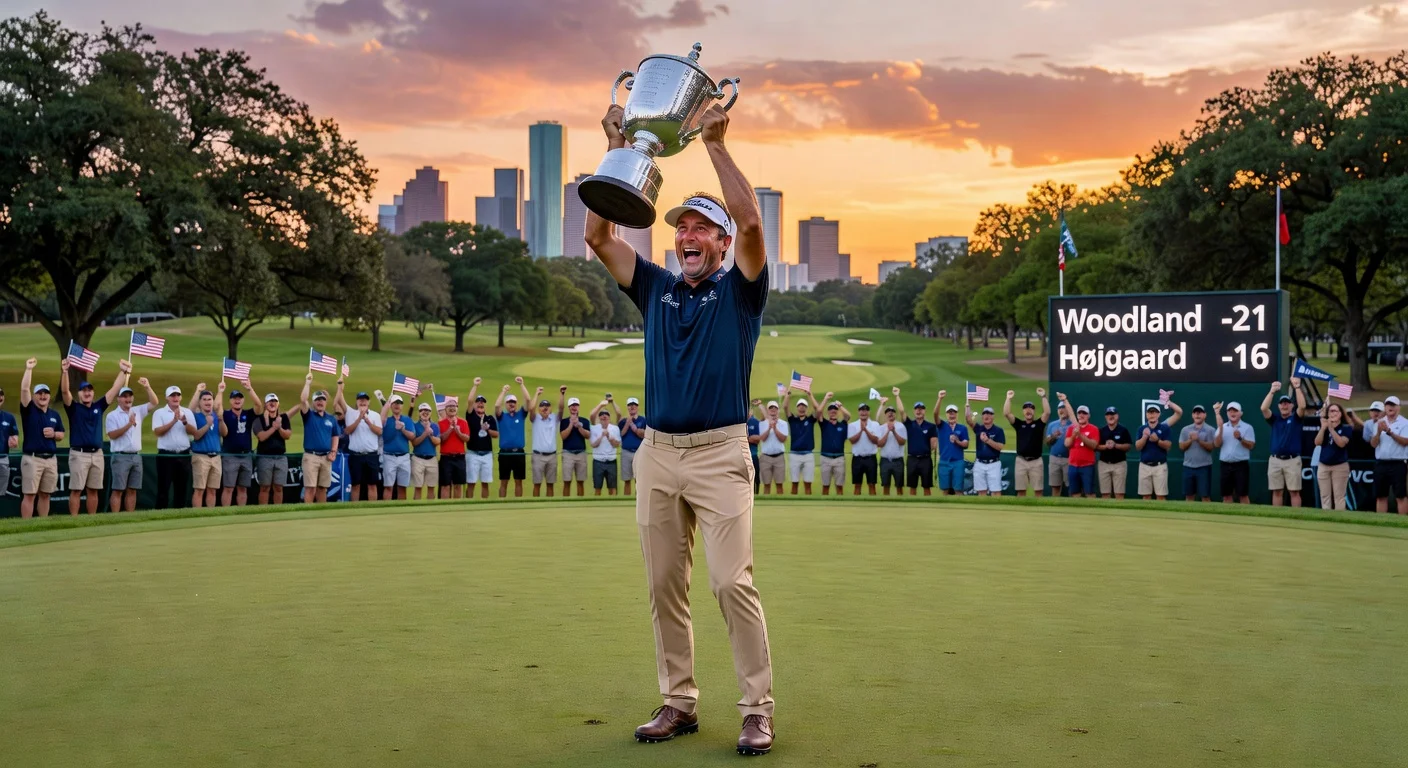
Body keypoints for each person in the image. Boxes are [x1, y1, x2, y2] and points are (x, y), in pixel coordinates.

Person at [587, 100, 775, 754]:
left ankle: (757, 708)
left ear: (721, 245)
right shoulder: (656, 287)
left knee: (730, 581)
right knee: (664, 585)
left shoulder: (741, 291)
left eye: (702, 229)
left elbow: (750, 220)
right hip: (658, 454)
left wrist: (717, 144)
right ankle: (679, 703)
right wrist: (618, 151)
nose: (688, 236)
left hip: (722, 453)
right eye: (682, 228)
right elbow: (599, 238)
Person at [60, 358, 128, 515]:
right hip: (79, 454)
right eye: (84, 390)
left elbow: (115, 388)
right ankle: (75, 521)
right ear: (79, 394)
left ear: (93, 393)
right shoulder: (73, 408)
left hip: (97, 454)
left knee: (93, 490)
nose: (87, 393)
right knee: (76, 490)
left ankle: (91, 521)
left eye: (89, 390)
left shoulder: (98, 406)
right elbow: (64, 391)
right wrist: (65, 371)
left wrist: (123, 371)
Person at [18, 358, 65, 518]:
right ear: (34, 396)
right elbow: (24, 389)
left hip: (50, 459)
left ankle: (42, 524)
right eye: (39, 393)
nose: (43, 396)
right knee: (30, 495)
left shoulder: (54, 415)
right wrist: (29, 369)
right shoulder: (29, 409)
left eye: (45, 393)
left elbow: (61, 434)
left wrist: (54, 434)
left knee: (45, 494)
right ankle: (27, 526)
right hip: (32, 459)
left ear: (49, 396)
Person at [105, 375, 158, 512]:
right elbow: (112, 435)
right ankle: (116, 518)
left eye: (130, 396)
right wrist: (129, 424)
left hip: (136, 456)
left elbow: (154, 402)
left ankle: (129, 517)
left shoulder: (137, 410)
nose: (128, 399)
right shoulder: (112, 415)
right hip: (120, 456)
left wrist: (147, 387)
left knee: (132, 490)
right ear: (118, 399)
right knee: (118, 490)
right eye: (124, 396)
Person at [1260, 378, 1307, 507]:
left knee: (1294, 492)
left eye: (1287, 403)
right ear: (1279, 406)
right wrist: (1272, 391)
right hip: (1275, 460)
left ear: (1292, 405)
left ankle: (1296, 519)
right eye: (1282, 403)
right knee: (1277, 491)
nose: (1284, 405)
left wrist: (1297, 387)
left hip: (1292, 460)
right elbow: (1264, 408)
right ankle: (1277, 519)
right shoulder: (1275, 419)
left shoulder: (1296, 419)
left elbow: (1302, 406)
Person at [151, 384, 196, 510]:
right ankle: (160, 514)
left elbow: (194, 432)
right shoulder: (159, 413)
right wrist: (173, 421)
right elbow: (157, 432)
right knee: (163, 488)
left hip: (184, 454)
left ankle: (179, 515)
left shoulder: (187, 412)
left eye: (177, 395)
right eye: (172, 395)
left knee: (181, 488)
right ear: (167, 398)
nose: (175, 398)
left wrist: (185, 422)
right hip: (166, 455)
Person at [297, 374, 340, 504]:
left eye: (322, 400)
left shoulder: (331, 418)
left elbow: (335, 435)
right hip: (311, 456)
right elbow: (303, 399)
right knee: (310, 488)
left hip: (326, 457)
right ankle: (308, 513)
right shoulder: (309, 415)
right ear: (314, 402)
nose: (320, 402)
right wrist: (307, 383)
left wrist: (333, 451)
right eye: (317, 400)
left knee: (323, 488)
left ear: (326, 402)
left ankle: (321, 514)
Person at [219, 380, 261, 508]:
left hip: (246, 455)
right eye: (234, 398)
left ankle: (240, 512)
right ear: (230, 401)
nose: (237, 401)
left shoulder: (247, 414)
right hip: (230, 455)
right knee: (228, 487)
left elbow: (258, 405)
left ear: (243, 400)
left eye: (239, 398)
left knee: (243, 488)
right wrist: (220, 391)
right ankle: (225, 513)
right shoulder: (225, 414)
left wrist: (249, 389)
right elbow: (217, 409)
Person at [340, 385, 384, 503]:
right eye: (360, 400)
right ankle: (355, 510)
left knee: (372, 485)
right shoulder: (350, 413)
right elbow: (348, 431)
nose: (362, 401)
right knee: (356, 485)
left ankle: (373, 510)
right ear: (357, 401)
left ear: (368, 402)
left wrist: (368, 422)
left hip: (371, 455)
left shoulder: (375, 415)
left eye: (365, 400)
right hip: (356, 455)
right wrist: (359, 418)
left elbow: (379, 431)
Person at [1003, 389, 1050, 498]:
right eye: (1026, 409)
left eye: (1031, 409)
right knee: (1020, 491)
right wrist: (1008, 398)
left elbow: (1047, 412)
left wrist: (1043, 396)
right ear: (1023, 412)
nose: (1028, 411)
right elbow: (1006, 413)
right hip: (1021, 461)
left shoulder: (1039, 424)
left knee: (1038, 491)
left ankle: (1039, 513)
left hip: (1036, 461)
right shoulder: (1019, 424)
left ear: (1034, 411)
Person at [1134, 399, 1184, 501]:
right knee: (1146, 496)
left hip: (1160, 466)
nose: (1152, 415)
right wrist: (1144, 437)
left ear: (1158, 414)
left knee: (1161, 496)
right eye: (1149, 412)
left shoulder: (1165, 427)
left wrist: (1157, 441)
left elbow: (1168, 446)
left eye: (1154, 412)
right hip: (1144, 465)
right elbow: (1137, 447)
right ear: (1146, 414)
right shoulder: (1141, 428)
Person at [1369, 395, 1408, 514]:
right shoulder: (1379, 423)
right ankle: (1381, 523)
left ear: (1398, 408)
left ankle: (1402, 522)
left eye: (1393, 405)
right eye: (1387, 405)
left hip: (1398, 463)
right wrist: (1379, 432)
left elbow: (1405, 441)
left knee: (1400, 495)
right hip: (1381, 463)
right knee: (1381, 496)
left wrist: (1390, 433)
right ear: (1385, 407)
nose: (1390, 407)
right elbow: (1373, 444)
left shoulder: (1405, 423)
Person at [895, 389, 938, 496]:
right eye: (917, 409)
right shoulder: (909, 424)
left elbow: (933, 444)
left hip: (925, 459)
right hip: (912, 459)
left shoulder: (931, 426)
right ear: (914, 411)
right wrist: (897, 395)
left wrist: (933, 445)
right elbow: (901, 411)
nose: (919, 411)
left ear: (924, 411)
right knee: (912, 486)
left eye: (921, 409)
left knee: (927, 486)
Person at [189, 384, 225, 508]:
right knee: (199, 489)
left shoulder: (217, 416)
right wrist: (198, 390)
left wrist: (220, 391)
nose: (207, 402)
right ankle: (197, 516)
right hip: (201, 456)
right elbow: (196, 436)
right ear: (200, 403)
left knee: (212, 490)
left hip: (216, 457)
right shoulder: (196, 416)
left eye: (209, 399)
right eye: (204, 400)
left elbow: (224, 433)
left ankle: (210, 515)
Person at [495, 378, 532, 498]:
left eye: (514, 402)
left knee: (518, 481)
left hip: (519, 453)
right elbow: (496, 405)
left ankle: (518, 503)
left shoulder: (521, 414)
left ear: (516, 404)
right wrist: (503, 391)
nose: (512, 404)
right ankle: (501, 505)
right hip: (505, 454)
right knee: (504, 481)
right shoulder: (502, 416)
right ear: (506, 404)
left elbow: (528, 400)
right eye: (509, 402)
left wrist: (522, 385)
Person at [1213, 401, 1255, 504]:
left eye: (1235, 411)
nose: (1232, 413)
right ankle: (1226, 519)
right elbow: (1217, 444)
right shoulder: (1221, 427)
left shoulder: (1247, 427)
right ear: (1227, 413)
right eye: (1230, 411)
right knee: (1226, 496)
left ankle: (1246, 519)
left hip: (1241, 465)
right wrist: (1221, 429)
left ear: (1240, 413)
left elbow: (1251, 446)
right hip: (1225, 465)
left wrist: (1240, 438)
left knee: (1243, 495)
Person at [1314, 401, 1354, 511]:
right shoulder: (1324, 428)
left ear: (1341, 413)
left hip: (1340, 465)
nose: (1333, 413)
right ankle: (1326, 520)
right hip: (1323, 465)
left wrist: (1331, 429)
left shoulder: (1346, 428)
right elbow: (1317, 442)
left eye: (1335, 411)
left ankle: (1339, 520)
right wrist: (1323, 428)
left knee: (1339, 496)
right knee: (1325, 496)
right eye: (1331, 411)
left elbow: (1341, 443)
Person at [254, 393, 293, 505]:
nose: (272, 403)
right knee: (264, 487)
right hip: (264, 457)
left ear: (278, 404)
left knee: (279, 487)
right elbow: (261, 437)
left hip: (280, 457)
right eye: (270, 402)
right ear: (265, 404)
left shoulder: (283, 418)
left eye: (275, 401)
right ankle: (263, 511)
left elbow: (287, 435)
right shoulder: (259, 419)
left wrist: (279, 427)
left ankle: (278, 511)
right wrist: (273, 427)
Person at [1058, 395, 1099, 499]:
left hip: (1087, 465)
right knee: (1075, 493)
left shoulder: (1093, 429)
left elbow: (1093, 445)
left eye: (1084, 413)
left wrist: (1080, 435)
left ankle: (1092, 513)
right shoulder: (1072, 428)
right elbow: (1067, 444)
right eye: (1079, 413)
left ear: (1088, 415)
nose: (1081, 415)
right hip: (1073, 465)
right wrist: (1074, 435)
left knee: (1089, 493)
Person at [782, 388, 821, 495]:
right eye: (800, 406)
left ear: (806, 408)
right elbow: (785, 407)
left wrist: (810, 395)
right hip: (794, 454)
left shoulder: (810, 420)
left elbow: (818, 409)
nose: (802, 408)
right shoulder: (792, 419)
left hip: (808, 454)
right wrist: (788, 395)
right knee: (794, 483)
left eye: (804, 406)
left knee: (808, 483)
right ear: (797, 407)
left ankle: (809, 506)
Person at [1177, 405, 1217, 502]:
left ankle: (1207, 517)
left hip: (1204, 467)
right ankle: (1189, 517)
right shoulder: (1185, 430)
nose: (1197, 415)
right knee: (1189, 496)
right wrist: (1190, 439)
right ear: (1192, 415)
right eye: (1195, 413)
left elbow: (1212, 447)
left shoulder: (1211, 430)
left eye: (1200, 412)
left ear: (1205, 415)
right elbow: (1181, 447)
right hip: (1188, 466)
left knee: (1205, 496)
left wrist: (1199, 440)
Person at [380, 394, 415, 500]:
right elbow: (381, 418)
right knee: (388, 487)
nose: (397, 405)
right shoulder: (386, 420)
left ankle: (402, 511)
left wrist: (403, 429)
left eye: (399, 403)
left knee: (402, 487)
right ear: (391, 405)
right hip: (389, 457)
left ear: (402, 406)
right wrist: (387, 402)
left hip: (404, 457)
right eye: (395, 403)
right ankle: (386, 512)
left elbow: (412, 436)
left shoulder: (407, 420)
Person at [934, 394, 969, 495]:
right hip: (944, 461)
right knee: (945, 489)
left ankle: (960, 510)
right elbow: (935, 414)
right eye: (949, 413)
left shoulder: (962, 428)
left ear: (957, 414)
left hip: (958, 461)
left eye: (953, 412)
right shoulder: (941, 426)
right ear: (946, 414)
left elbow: (966, 444)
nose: (951, 415)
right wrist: (940, 399)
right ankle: (944, 510)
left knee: (958, 489)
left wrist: (958, 441)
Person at [1094, 407, 1133, 499]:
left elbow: (1128, 446)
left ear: (1117, 416)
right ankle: (1106, 513)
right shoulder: (1101, 431)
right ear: (1105, 417)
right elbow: (1096, 446)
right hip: (1104, 463)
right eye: (1108, 415)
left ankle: (1119, 513)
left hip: (1119, 464)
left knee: (1119, 493)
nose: (1110, 416)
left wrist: (1116, 445)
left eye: (1113, 414)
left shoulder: (1123, 430)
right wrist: (1106, 446)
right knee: (1105, 494)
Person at [967, 406, 1005, 497]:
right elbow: (968, 420)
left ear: (993, 417)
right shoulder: (979, 428)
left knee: (996, 491)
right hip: (980, 463)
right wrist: (967, 407)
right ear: (982, 416)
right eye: (984, 414)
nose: (986, 416)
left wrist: (987, 441)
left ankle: (996, 510)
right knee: (981, 491)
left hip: (994, 464)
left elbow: (1000, 447)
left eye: (989, 414)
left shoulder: (998, 430)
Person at [437, 393, 469, 499]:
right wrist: (451, 428)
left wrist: (458, 432)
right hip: (446, 458)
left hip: (459, 457)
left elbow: (467, 438)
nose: (452, 408)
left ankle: (457, 507)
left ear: (457, 408)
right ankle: (445, 507)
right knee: (445, 485)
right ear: (445, 409)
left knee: (458, 485)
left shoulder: (463, 423)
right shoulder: (441, 424)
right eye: (449, 406)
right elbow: (441, 439)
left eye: (454, 406)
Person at [529, 388, 560, 497]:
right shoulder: (535, 418)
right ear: (539, 408)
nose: (545, 408)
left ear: (550, 409)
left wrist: (562, 394)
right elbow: (531, 408)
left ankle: (550, 506)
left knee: (550, 484)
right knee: (537, 484)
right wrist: (536, 394)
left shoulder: (554, 418)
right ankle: (535, 506)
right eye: (542, 406)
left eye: (547, 406)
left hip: (552, 456)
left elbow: (561, 408)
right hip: (538, 456)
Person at [467, 392, 498, 499]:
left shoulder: (490, 418)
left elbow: (496, 435)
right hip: (473, 454)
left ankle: (484, 505)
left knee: (485, 483)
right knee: (471, 482)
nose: (480, 404)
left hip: (487, 455)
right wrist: (475, 385)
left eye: (482, 403)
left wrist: (487, 429)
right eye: (478, 402)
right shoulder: (470, 416)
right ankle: (468, 505)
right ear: (474, 405)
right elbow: (469, 400)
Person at [817, 397, 849, 496]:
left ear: (838, 412)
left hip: (839, 458)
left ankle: (840, 507)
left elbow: (847, 416)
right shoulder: (824, 424)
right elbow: (818, 412)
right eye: (831, 410)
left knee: (839, 486)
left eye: (835, 409)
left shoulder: (843, 425)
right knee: (825, 486)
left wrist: (840, 406)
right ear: (828, 412)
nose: (833, 411)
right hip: (825, 458)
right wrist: (826, 399)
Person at [848, 403, 882, 495]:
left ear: (869, 412)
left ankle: (873, 506)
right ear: (859, 412)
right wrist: (861, 430)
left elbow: (876, 441)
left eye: (866, 410)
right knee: (857, 485)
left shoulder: (875, 424)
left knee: (872, 484)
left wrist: (866, 430)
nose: (864, 412)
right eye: (862, 410)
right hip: (857, 458)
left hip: (870, 458)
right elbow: (852, 440)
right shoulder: (852, 425)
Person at [559, 395, 590, 497]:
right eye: (572, 406)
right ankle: (565, 504)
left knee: (580, 481)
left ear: (579, 407)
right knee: (567, 481)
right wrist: (571, 424)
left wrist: (579, 426)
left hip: (581, 453)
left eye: (576, 405)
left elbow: (587, 436)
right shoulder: (564, 421)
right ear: (569, 408)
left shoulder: (584, 421)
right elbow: (563, 436)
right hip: (568, 453)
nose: (574, 407)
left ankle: (580, 503)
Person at [410, 402, 442, 499]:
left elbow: (437, 441)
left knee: (431, 486)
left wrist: (430, 434)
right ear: (419, 413)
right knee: (418, 487)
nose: (425, 412)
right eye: (423, 411)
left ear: (430, 413)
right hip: (418, 458)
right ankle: (416, 509)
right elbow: (414, 443)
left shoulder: (435, 426)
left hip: (431, 458)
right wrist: (425, 433)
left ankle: (431, 509)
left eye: (427, 411)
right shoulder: (415, 425)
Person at [757, 401, 789, 494]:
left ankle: (781, 506)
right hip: (765, 457)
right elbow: (762, 438)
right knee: (766, 484)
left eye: (775, 408)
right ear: (767, 411)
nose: (773, 410)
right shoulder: (762, 423)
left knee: (779, 484)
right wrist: (769, 428)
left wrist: (775, 428)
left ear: (778, 410)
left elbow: (783, 439)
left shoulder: (783, 423)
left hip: (779, 457)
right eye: (771, 408)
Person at [618, 396, 648, 495]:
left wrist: (635, 429)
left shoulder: (643, 420)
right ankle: (627, 499)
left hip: (639, 452)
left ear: (637, 407)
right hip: (626, 452)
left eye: (634, 405)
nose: (632, 407)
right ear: (627, 407)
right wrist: (628, 423)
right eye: (630, 405)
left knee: (638, 478)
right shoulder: (623, 421)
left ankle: (638, 499)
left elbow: (645, 435)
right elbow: (621, 434)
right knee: (627, 479)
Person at [1045, 400, 1073, 498]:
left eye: (1063, 408)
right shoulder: (1052, 425)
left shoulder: (1072, 424)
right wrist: (1053, 436)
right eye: (1060, 408)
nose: (1061, 410)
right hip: (1054, 458)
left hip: (1068, 458)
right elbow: (1047, 442)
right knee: (1055, 486)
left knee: (1071, 486)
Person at [590, 407, 622, 495]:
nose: (604, 417)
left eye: (606, 415)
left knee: (612, 488)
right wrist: (601, 436)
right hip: (598, 462)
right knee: (597, 487)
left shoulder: (615, 428)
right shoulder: (594, 428)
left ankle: (614, 506)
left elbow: (617, 444)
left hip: (611, 461)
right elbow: (593, 444)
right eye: (601, 415)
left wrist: (608, 436)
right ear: (599, 418)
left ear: (609, 417)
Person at [877, 404, 906, 495]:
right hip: (885, 460)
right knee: (885, 485)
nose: (890, 413)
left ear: (895, 414)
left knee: (899, 486)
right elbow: (880, 444)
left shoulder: (901, 426)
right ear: (885, 415)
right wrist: (887, 431)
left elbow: (902, 442)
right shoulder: (881, 428)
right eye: (888, 412)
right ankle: (886, 504)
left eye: (892, 412)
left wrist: (893, 431)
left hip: (898, 461)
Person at [0, 387, 17, 499]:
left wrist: (14, 442)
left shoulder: (9, 417)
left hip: (3, 459)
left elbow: (14, 437)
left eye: (1, 394)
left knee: (1, 493)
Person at [747, 400, 763, 493]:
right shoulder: (741, 422)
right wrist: (750, 438)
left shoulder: (755, 421)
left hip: (753, 454)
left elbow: (758, 438)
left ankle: (756, 493)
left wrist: (747, 438)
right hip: (742, 454)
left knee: (756, 476)